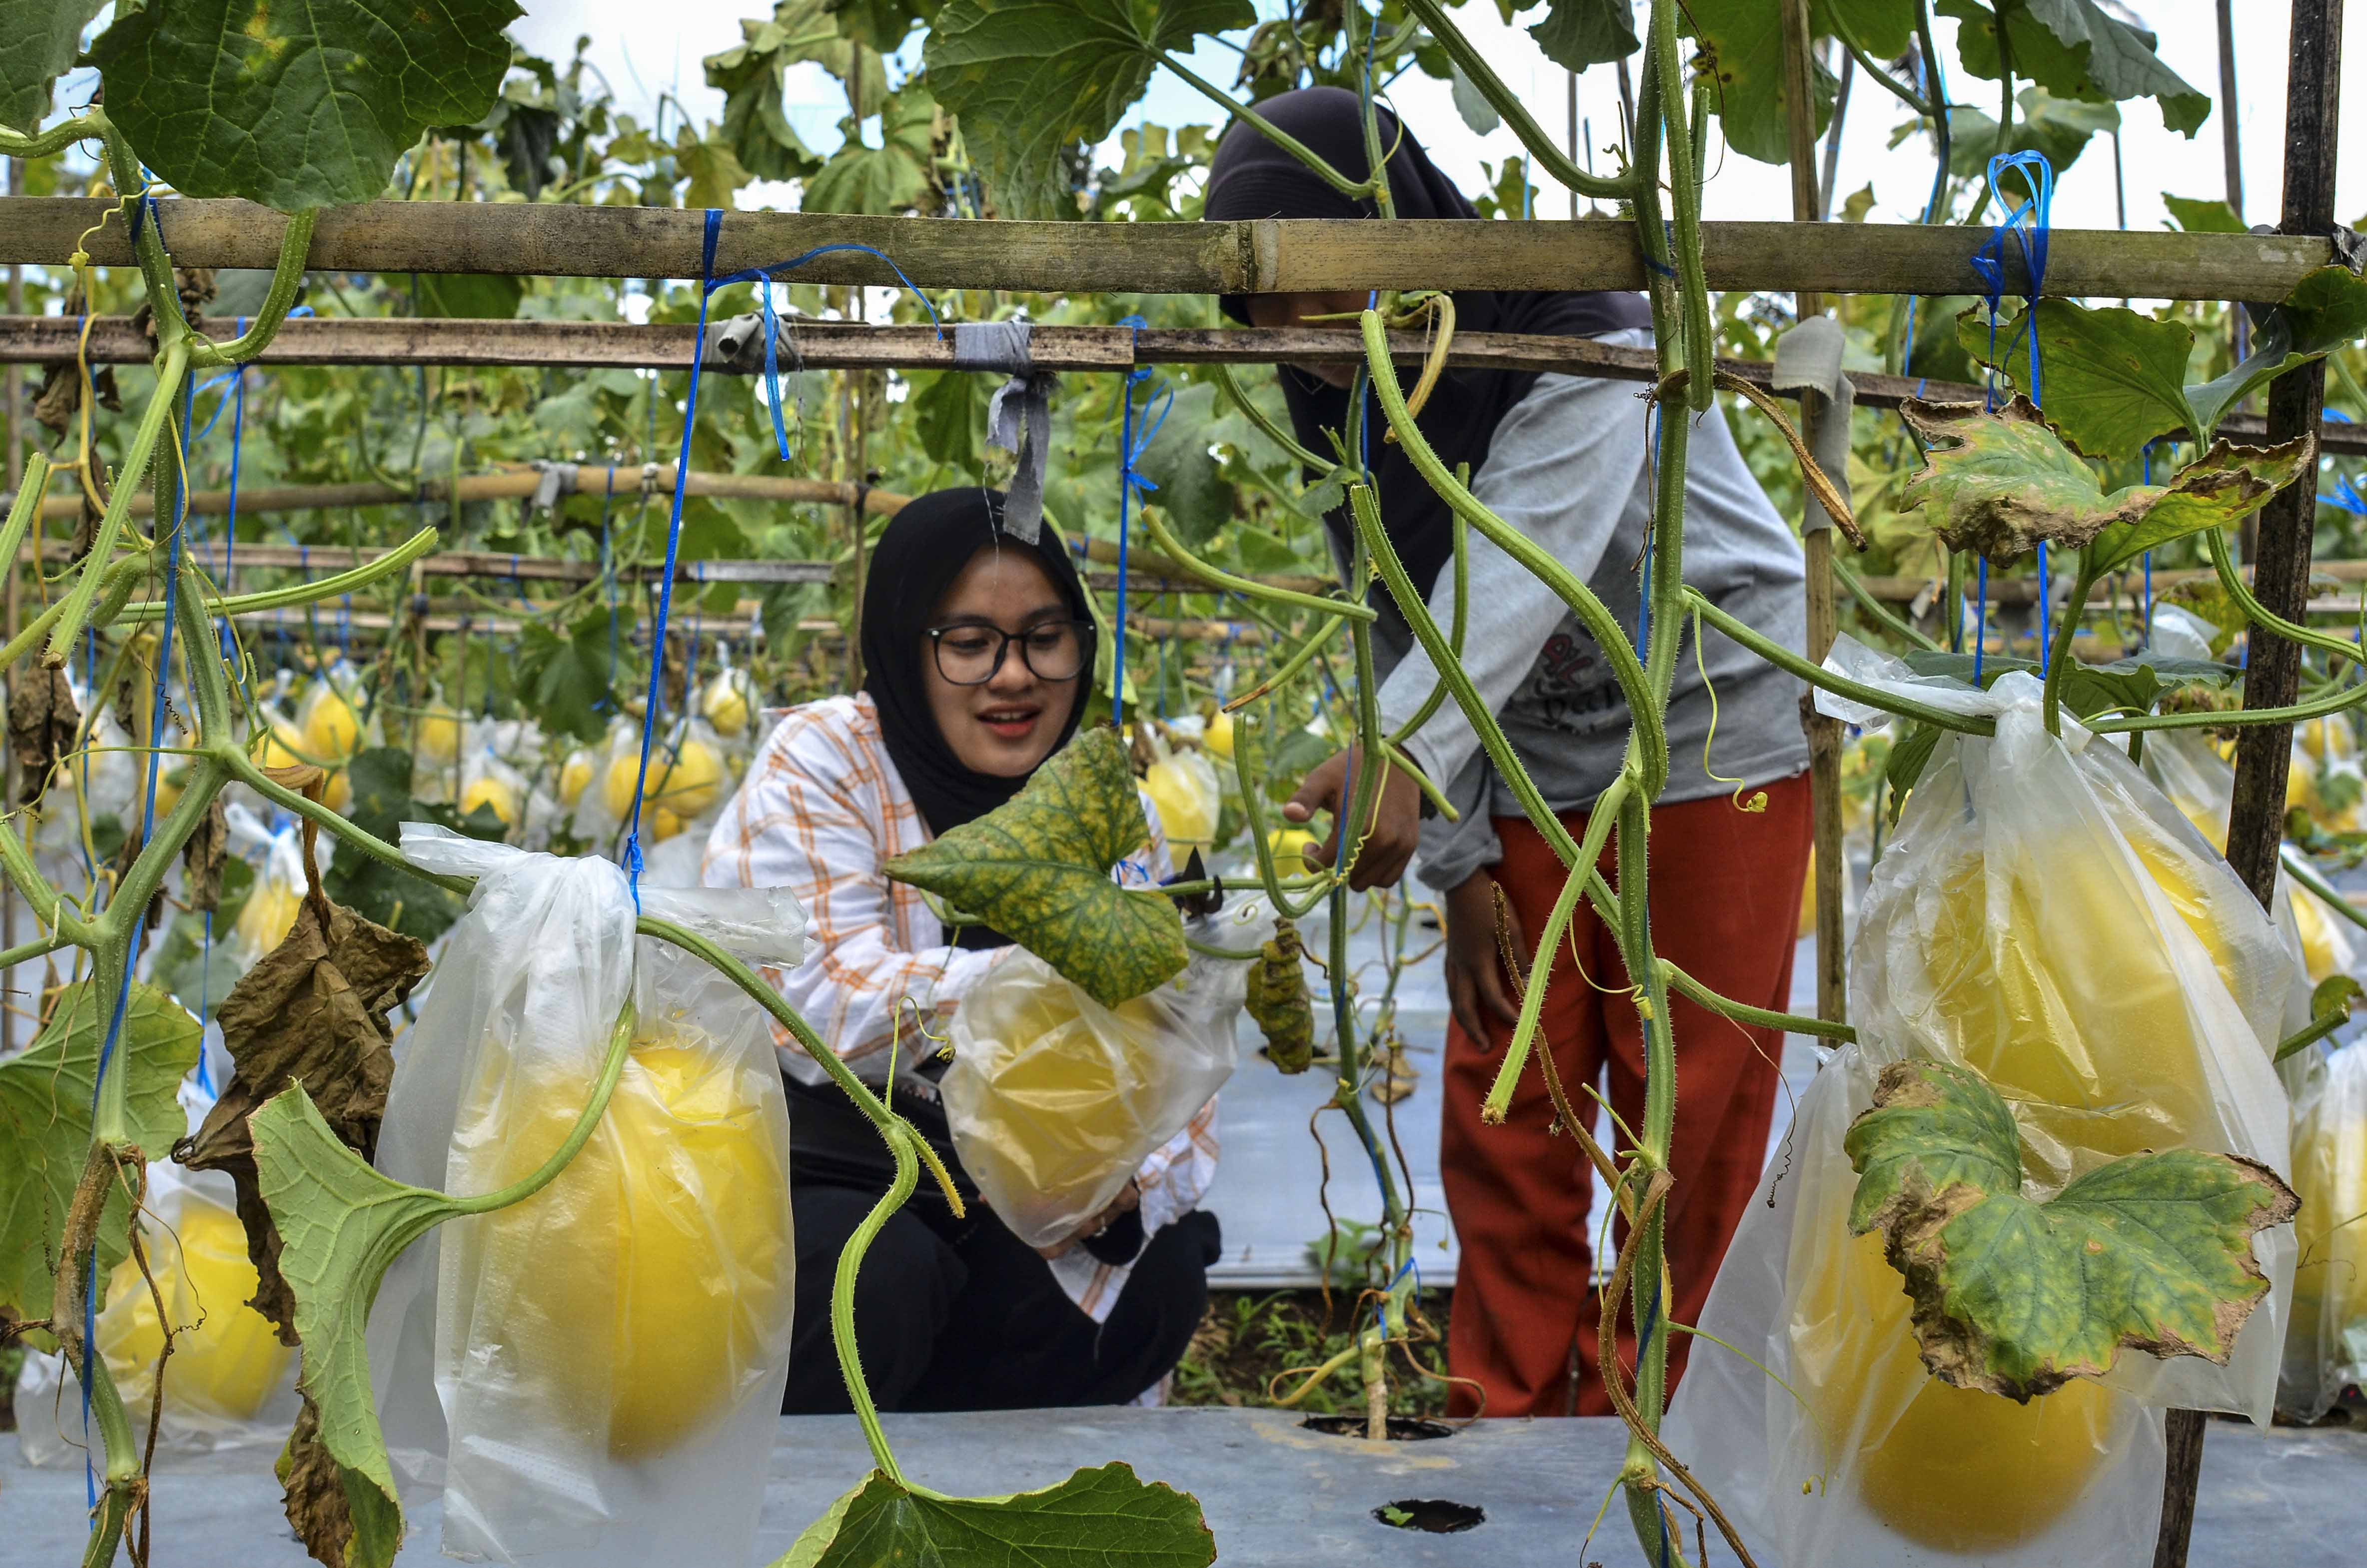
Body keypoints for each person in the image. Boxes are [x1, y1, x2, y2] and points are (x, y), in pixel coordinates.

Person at [1202, 87, 1813, 1419]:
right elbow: (1395, 619)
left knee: (1688, 1102)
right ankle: (1509, 1406)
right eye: (1263, 306)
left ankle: (1661, 1426)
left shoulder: (1575, 334)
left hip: (1715, 739)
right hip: (1527, 756)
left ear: (1404, 232)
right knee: (1507, 1086)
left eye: (1321, 289)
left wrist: (1400, 758)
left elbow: (1514, 574)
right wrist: (1461, 860)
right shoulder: (1341, 402)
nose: (1293, 337)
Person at [703, 486, 1221, 1412]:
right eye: (970, 641)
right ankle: (822, 1514)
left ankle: (986, 1501)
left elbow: (1170, 1064)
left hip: (1017, 1194)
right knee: (871, 1278)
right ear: (908, 646)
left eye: (1043, 636)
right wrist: (1053, 975)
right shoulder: (825, 754)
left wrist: (1121, 1185)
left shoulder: (1115, 807)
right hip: (832, 1161)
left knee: (1162, 1271)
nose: (1013, 674)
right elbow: (811, 995)